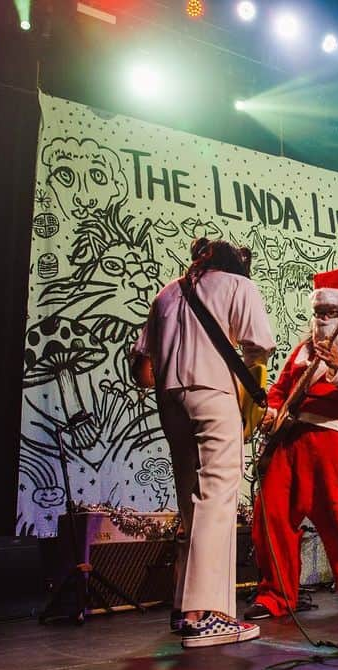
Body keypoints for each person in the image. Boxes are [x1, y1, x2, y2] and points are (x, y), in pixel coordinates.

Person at [132, 237, 275, 649]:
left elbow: (141, 371)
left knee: (191, 502)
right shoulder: (238, 285)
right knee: (217, 496)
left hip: (169, 399)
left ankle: (184, 609)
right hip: (213, 392)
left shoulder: (165, 293)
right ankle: (206, 614)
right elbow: (259, 346)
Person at [246, 267, 338, 619]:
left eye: (331, 313)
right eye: (319, 313)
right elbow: (280, 389)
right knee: (271, 513)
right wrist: (271, 411)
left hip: (335, 435)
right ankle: (275, 594)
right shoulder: (302, 351)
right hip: (291, 436)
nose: (324, 319)